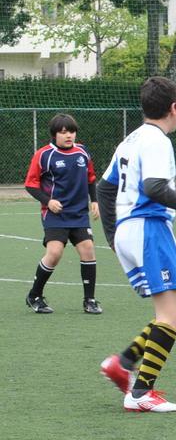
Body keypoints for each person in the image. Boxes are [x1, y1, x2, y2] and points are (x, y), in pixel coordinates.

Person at [96, 76, 176, 412]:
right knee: (171, 314)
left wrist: (113, 235)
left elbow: (104, 188)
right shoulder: (157, 141)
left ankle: (123, 363)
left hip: (131, 231)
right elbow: (154, 187)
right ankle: (141, 393)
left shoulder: (131, 139)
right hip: (149, 229)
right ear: (174, 107)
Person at [23, 113, 102, 314]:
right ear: (54, 134)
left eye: (72, 131)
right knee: (55, 253)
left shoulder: (82, 152)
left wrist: (94, 200)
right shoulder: (44, 155)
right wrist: (48, 201)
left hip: (79, 213)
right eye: (63, 132)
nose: (69, 135)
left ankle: (90, 300)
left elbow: (91, 178)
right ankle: (34, 295)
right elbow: (31, 184)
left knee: (88, 250)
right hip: (55, 214)